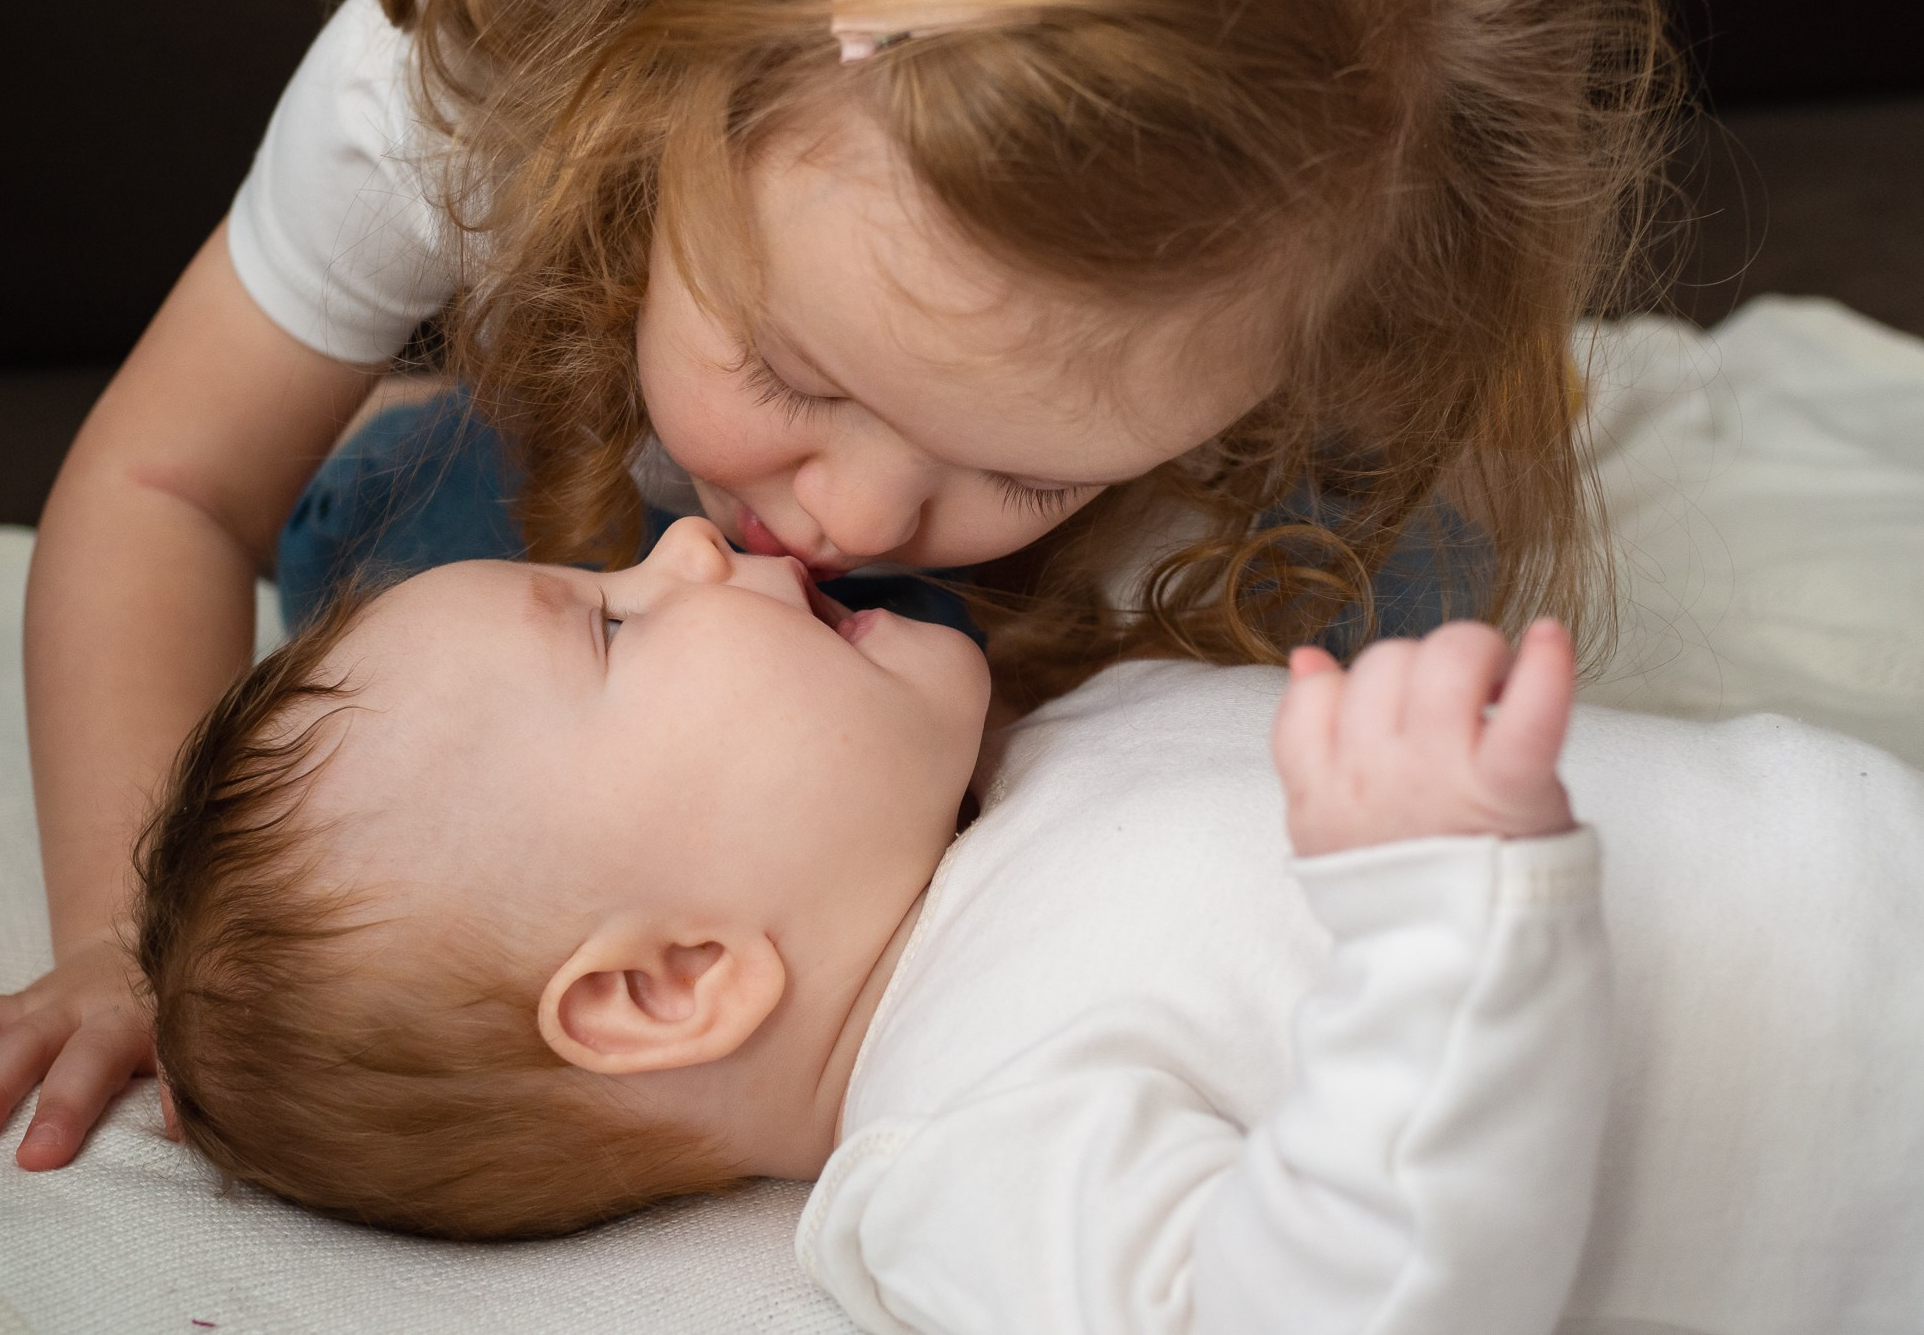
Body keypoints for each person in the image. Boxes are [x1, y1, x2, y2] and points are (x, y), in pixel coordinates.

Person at [0, 0, 1676, 1172]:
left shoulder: (1330, 258)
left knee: (1381, 657)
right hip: (572, 437)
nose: (853, 512)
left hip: (1195, 503)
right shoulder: (466, 69)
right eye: (797, 375)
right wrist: (114, 936)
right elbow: (168, 478)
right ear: (666, 113)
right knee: (427, 615)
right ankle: (486, 419)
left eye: (1023, 462)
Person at [132, 520, 1923, 1332]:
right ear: (672, 982)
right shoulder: (970, 1147)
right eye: (612, 625)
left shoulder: (1031, 756)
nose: (682, 548)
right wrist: (1450, 933)